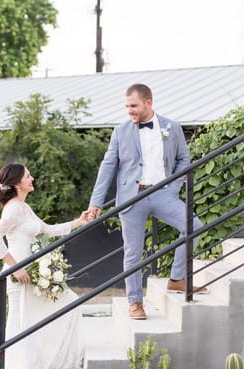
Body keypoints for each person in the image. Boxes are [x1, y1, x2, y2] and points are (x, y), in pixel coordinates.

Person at [0, 163, 90, 369]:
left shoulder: (24, 207)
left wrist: (78, 222)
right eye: (28, 176)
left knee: (67, 306)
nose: (32, 178)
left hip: (33, 277)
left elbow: (47, 230)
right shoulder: (13, 210)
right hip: (20, 280)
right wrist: (15, 266)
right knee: (24, 332)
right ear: (17, 183)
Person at [87, 83, 204, 320]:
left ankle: (177, 279)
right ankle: (135, 302)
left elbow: (183, 159)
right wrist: (96, 202)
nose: (129, 110)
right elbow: (108, 166)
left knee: (194, 226)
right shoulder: (120, 131)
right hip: (131, 198)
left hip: (163, 193)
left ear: (148, 102)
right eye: (127, 106)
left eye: (134, 105)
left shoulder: (173, 127)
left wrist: (173, 187)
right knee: (133, 252)